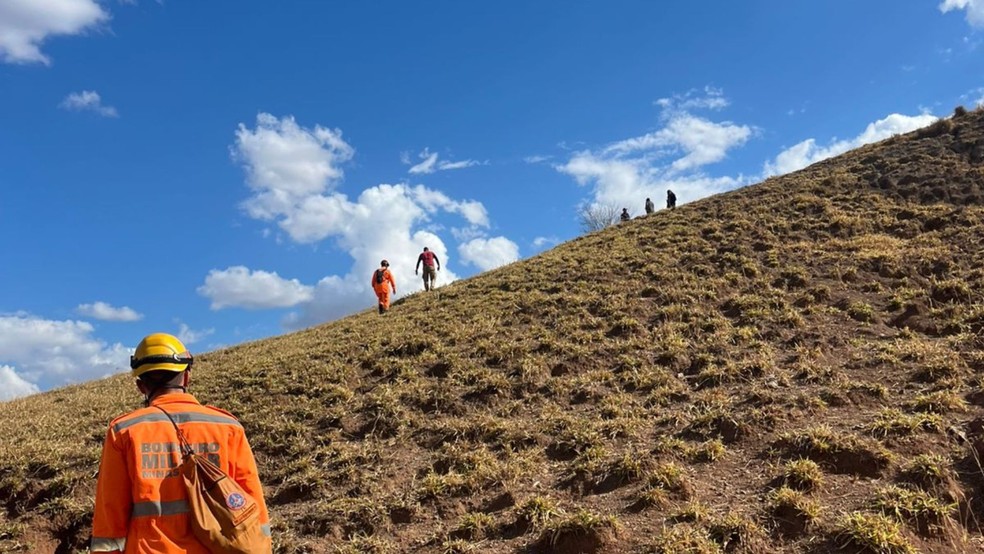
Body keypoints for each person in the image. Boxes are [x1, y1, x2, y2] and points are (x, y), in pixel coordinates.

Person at [91, 333, 271, 554]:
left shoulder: (124, 431)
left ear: (140, 386)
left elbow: (110, 518)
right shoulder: (228, 427)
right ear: (186, 378)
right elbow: (253, 508)